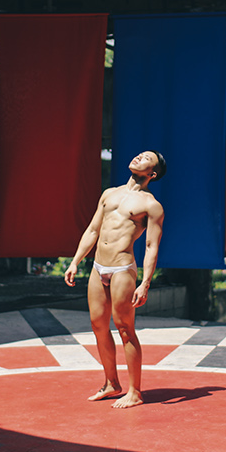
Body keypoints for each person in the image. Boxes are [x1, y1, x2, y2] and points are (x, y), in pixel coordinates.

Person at [64, 150, 166, 409]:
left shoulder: (151, 205)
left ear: (151, 174)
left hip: (122, 269)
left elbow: (152, 246)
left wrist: (145, 282)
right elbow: (93, 229)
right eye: (140, 155)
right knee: (98, 324)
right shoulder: (109, 194)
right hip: (98, 267)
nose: (138, 158)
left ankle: (135, 392)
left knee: (124, 328)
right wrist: (76, 261)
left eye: (145, 160)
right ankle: (112, 383)